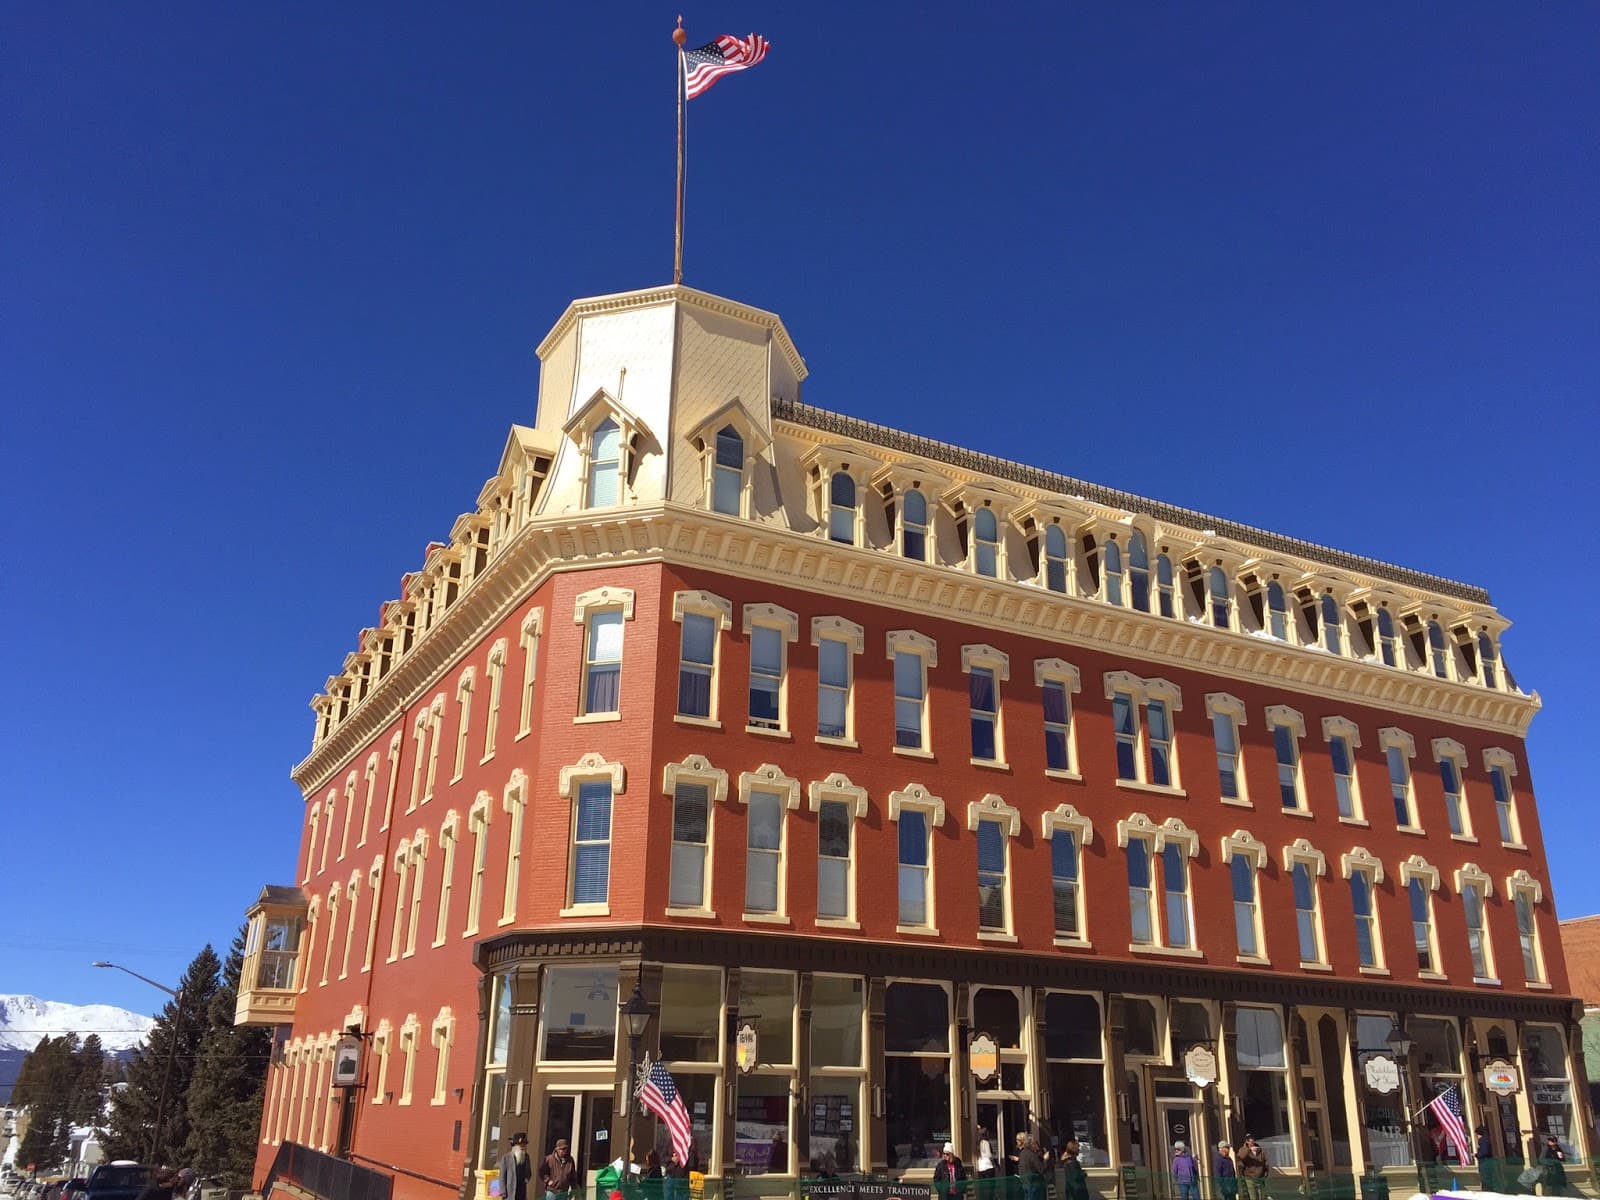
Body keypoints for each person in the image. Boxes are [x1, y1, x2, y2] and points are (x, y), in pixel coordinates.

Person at [500, 1132, 534, 1200]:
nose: (522, 1147)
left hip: (521, 1191)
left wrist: (526, 1179)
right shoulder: (506, 1158)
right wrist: (503, 1191)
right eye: (520, 1145)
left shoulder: (526, 1157)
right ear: (515, 1146)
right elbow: (502, 1176)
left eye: (523, 1145)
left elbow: (529, 1172)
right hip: (509, 1191)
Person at [1015, 1134, 1047, 1200]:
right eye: (1035, 1143)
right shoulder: (1032, 1155)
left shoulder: (1022, 1153)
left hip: (1025, 1182)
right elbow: (1041, 1169)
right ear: (1032, 1144)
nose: (1036, 1144)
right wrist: (1045, 1160)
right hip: (1034, 1183)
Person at [1237, 1135, 1269, 1200]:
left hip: (1260, 1177)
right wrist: (1249, 1149)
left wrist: (1266, 1172)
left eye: (1253, 1141)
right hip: (1250, 1178)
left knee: (1262, 1196)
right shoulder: (1243, 1149)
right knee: (1253, 1197)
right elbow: (1241, 1157)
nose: (1252, 1143)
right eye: (1250, 1142)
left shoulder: (1260, 1150)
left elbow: (1265, 1161)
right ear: (1247, 1142)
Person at [976, 1127, 997, 1200]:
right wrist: (994, 1156)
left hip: (980, 1167)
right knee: (990, 1188)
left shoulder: (978, 1143)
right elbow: (989, 1155)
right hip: (988, 1166)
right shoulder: (986, 1142)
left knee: (983, 1188)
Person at [1474, 1126, 1497, 1193]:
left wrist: (1476, 1155)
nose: (1476, 1136)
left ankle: (1487, 1191)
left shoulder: (1482, 1140)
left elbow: (1484, 1152)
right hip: (1487, 1161)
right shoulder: (1487, 1139)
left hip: (1485, 1162)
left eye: (1477, 1134)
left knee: (1485, 1178)